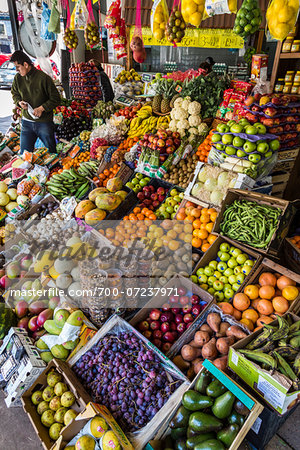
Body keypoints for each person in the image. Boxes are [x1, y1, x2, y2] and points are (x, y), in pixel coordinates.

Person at [10, 50, 61, 154]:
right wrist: (19, 102)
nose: (16, 70)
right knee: (24, 154)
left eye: (18, 67)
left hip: (44, 123)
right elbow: (15, 93)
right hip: (26, 123)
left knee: (51, 153)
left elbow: (56, 98)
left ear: (26, 64)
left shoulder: (43, 78)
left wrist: (42, 108)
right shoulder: (17, 78)